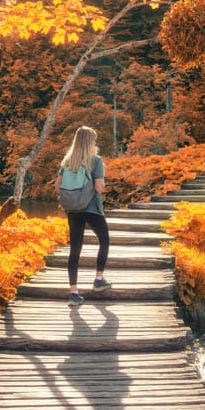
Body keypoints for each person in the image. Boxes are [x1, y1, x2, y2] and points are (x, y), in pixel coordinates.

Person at [55, 126, 112, 306]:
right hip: (92, 208)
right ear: (90, 142)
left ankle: (74, 293)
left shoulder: (67, 161)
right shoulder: (96, 161)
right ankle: (98, 279)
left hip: (73, 209)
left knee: (75, 249)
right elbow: (98, 187)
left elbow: (57, 186)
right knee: (104, 240)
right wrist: (103, 174)